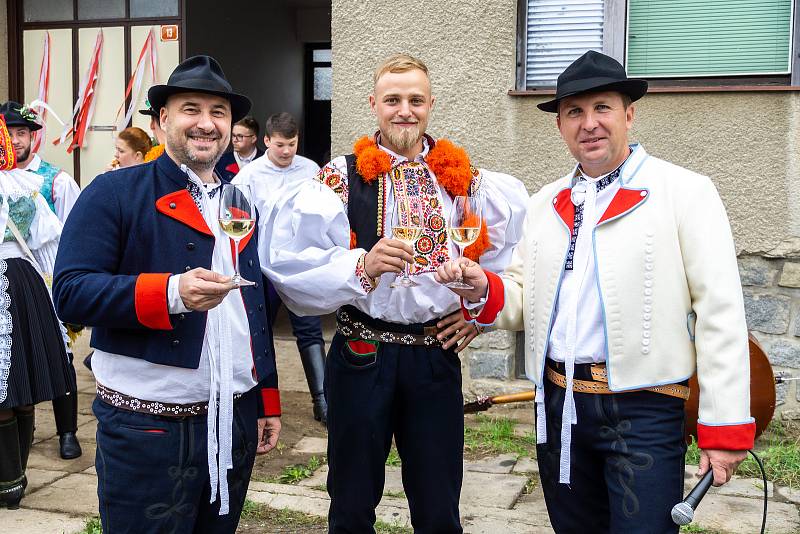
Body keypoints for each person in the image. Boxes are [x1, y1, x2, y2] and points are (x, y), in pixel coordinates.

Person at [435, 51, 755, 533]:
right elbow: (525, 297)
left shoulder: (684, 192)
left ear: (629, 113)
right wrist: (486, 286)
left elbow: (721, 313)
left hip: (643, 407)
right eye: (574, 112)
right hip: (558, 405)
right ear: (560, 125)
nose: (589, 124)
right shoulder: (544, 204)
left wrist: (724, 425)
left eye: (602, 108)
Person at [260, 54, 527, 533]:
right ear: (374, 104)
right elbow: (289, 264)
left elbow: (510, 250)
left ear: (430, 105)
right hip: (364, 352)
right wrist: (359, 266)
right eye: (393, 100)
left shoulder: (464, 176)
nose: (405, 110)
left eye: (415, 100)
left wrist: (477, 312)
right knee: (352, 499)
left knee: (439, 500)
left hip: (433, 355)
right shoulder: (339, 177)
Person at [53, 55, 282, 532]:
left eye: (218, 112)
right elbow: (71, 293)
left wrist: (267, 398)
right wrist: (173, 292)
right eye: (190, 109)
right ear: (161, 123)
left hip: (233, 418)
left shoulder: (239, 199)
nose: (206, 123)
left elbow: (251, 304)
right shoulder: (113, 191)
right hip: (147, 428)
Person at [0, 100, 83, 460]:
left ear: (34, 136)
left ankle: (68, 432)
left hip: (44, 280)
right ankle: (18, 440)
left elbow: (73, 238)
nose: (16, 141)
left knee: (55, 355)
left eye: (22, 133)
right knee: (16, 362)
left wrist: (69, 289)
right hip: (13, 283)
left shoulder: (55, 179)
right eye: (10, 134)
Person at [233, 112, 327, 424]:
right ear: (267, 141)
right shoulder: (249, 176)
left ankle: (323, 400)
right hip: (262, 265)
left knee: (309, 327)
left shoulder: (310, 169)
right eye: (281, 145)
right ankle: (264, 402)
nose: (287, 151)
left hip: (300, 261)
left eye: (292, 144)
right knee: (260, 331)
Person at [215, 116, 264, 182]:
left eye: (240, 136)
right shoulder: (221, 161)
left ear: (253, 139)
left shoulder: (265, 161)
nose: (234, 140)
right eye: (233, 135)